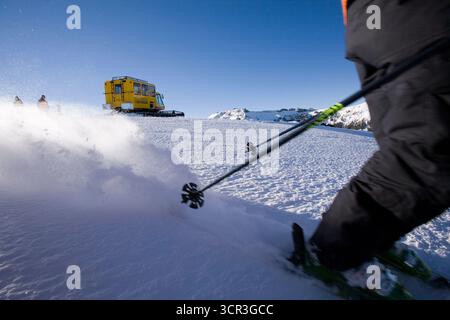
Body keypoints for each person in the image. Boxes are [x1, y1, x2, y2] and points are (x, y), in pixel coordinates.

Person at [306, 1, 450, 272]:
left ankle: (360, 241)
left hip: (370, 23)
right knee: (428, 150)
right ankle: (331, 253)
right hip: (417, 14)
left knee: (404, 146)